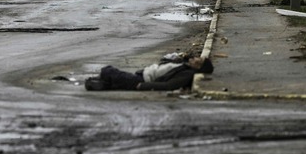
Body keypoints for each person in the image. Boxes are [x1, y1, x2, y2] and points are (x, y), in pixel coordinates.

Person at [85, 54, 214, 91]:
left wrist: (143, 86)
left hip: (142, 81)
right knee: (114, 78)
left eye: (199, 59)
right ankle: (100, 84)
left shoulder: (187, 73)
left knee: (108, 71)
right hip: (142, 75)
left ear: (199, 66)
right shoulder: (186, 66)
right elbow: (184, 59)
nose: (195, 57)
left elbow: (169, 85)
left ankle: (101, 83)